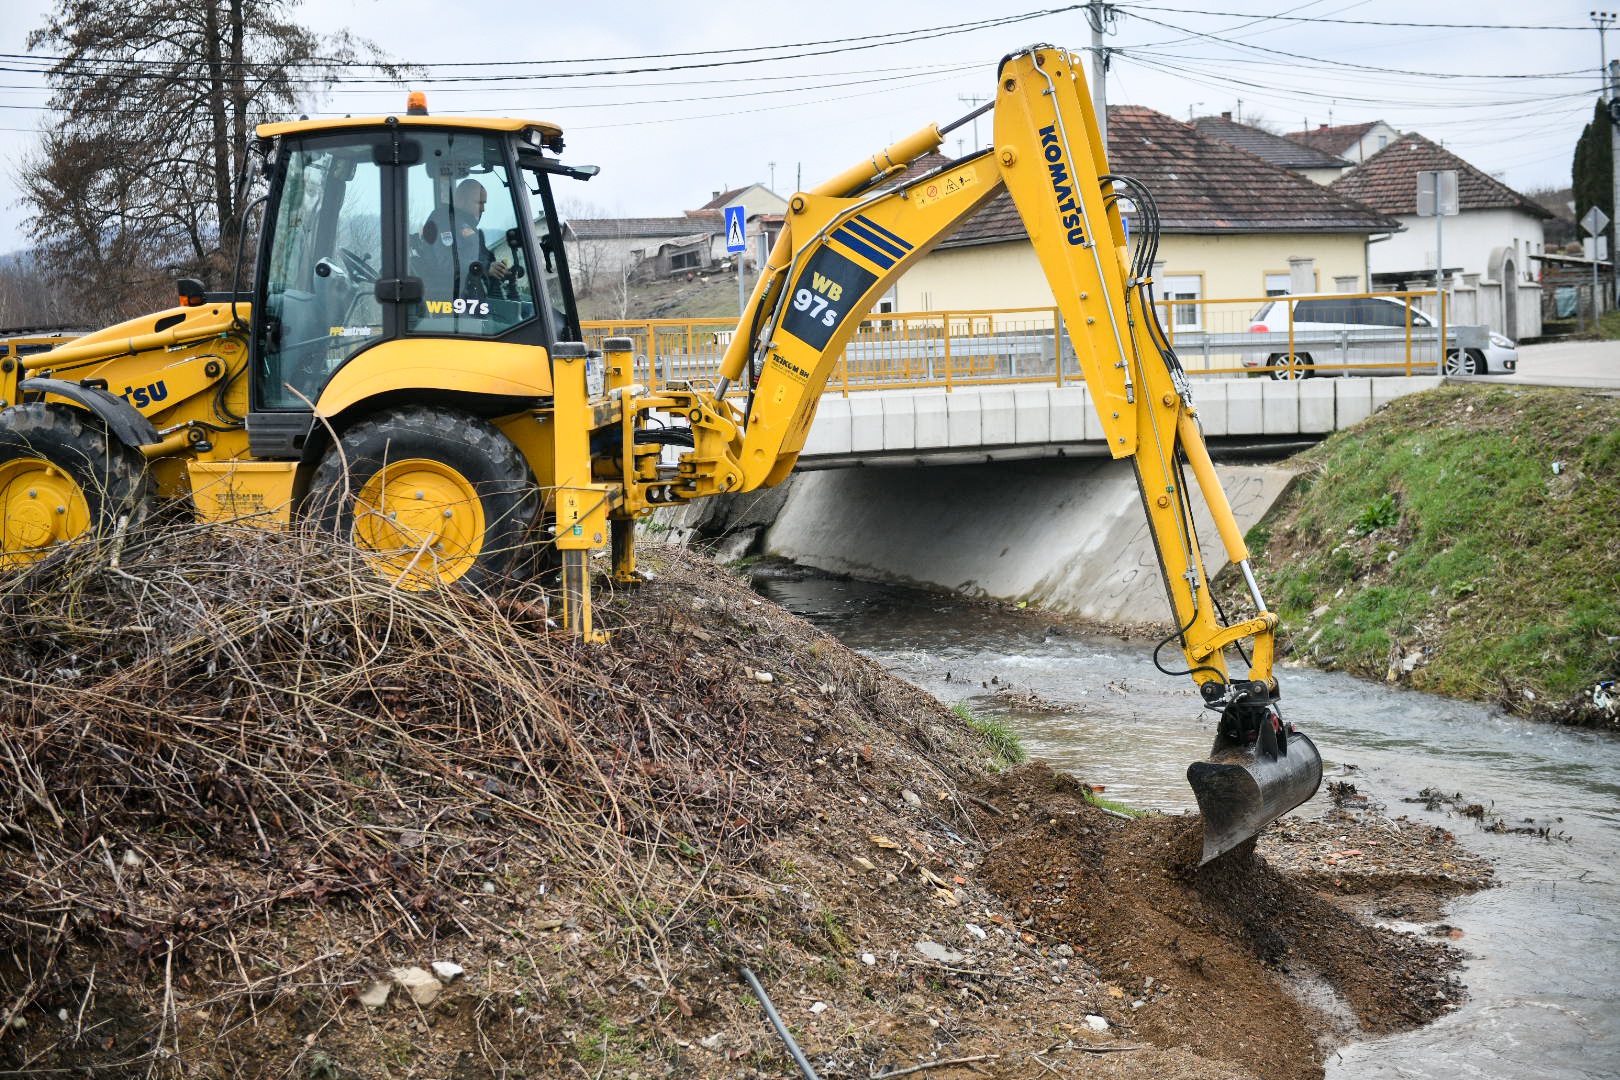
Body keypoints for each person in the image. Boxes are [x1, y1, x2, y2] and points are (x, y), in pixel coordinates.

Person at [420, 178, 513, 297]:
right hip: (449, 299)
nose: (483, 209)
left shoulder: (469, 227)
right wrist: (485, 268)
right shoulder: (443, 221)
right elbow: (446, 262)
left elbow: (481, 259)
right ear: (462, 200)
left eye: (484, 203)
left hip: (473, 294)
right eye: (479, 202)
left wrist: (498, 270)